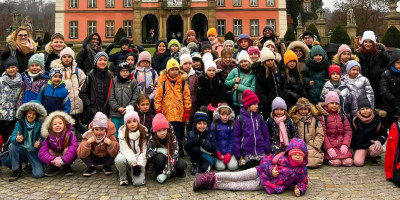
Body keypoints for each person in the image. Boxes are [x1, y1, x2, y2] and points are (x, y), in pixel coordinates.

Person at [193, 138, 308, 197]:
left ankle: (211, 185)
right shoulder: (281, 158)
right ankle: (207, 177)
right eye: (295, 153)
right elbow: (264, 160)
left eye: (300, 155)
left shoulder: (302, 170)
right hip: (259, 171)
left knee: (237, 186)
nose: (297, 156)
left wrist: (300, 189)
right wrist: (270, 170)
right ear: (289, 153)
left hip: (265, 185)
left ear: (304, 157)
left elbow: (303, 182)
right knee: (236, 176)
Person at [1, 100, 47, 181]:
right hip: (22, 150)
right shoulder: (20, 123)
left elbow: (44, 141)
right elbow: (12, 137)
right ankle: (16, 169)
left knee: (39, 174)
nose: (31, 116)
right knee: (12, 146)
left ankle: (30, 164)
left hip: (33, 152)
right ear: (26, 113)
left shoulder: (40, 125)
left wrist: (39, 144)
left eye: (34, 114)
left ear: (37, 115)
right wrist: (16, 139)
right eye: (29, 113)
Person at [154, 58, 191, 157]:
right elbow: (158, 97)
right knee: (168, 134)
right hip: (167, 114)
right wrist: (158, 110)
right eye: (172, 69)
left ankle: (179, 151)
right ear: (168, 70)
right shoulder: (163, 82)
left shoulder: (182, 82)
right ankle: (169, 152)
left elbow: (187, 97)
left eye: (176, 69)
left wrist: (187, 110)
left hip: (179, 114)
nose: (174, 72)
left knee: (179, 134)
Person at [50, 47, 87, 136]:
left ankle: (84, 136)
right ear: (61, 58)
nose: (67, 59)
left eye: (69, 57)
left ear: (72, 58)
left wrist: (80, 90)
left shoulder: (78, 71)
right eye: (64, 57)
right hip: (64, 103)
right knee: (65, 125)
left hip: (77, 102)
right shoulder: (57, 71)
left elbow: (84, 82)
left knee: (77, 123)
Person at [234, 90, 270, 169]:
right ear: (248, 105)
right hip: (247, 152)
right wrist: (238, 155)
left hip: (260, 151)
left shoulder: (260, 117)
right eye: (254, 104)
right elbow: (236, 137)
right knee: (252, 168)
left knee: (264, 167)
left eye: (257, 104)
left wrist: (267, 150)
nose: (257, 106)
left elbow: (265, 134)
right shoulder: (240, 118)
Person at [147, 113, 187, 183]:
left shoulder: (171, 136)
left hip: (170, 157)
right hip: (159, 158)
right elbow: (148, 155)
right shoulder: (152, 138)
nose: (162, 133)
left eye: (164, 130)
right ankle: (158, 172)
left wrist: (165, 173)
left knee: (182, 165)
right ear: (155, 131)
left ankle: (169, 172)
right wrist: (158, 150)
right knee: (160, 158)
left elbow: (175, 154)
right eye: (159, 131)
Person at [317, 91, 353, 167]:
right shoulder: (323, 117)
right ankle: (328, 159)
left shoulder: (342, 116)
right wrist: (328, 148)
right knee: (336, 162)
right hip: (330, 146)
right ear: (327, 104)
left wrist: (346, 144)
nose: (334, 105)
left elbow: (348, 131)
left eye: (336, 104)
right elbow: (323, 134)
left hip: (341, 145)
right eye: (332, 103)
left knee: (348, 162)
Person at [77, 112, 119, 176]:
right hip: (94, 157)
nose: (99, 132)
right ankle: (91, 167)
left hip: (106, 157)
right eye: (96, 129)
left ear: (105, 130)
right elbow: (80, 153)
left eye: (102, 129)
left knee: (115, 146)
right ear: (93, 129)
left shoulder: (110, 135)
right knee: (82, 148)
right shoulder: (88, 135)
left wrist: (110, 144)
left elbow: (116, 151)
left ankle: (107, 166)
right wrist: (87, 143)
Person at [356, 31, 390, 109]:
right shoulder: (358, 54)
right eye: (365, 42)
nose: (368, 44)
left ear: (374, 43)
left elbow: (390, 65)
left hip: (379, 86)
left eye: (370, 42)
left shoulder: (382, 54)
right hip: (364, 87)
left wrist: (379, 71)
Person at [38, 111, 78, 176]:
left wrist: (63, 160)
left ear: (64, 125)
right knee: (49, 150)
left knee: (68, 149)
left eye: (60, 123)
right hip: (55, 156)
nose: (57, 125)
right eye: (55, 124)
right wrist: (53, 159)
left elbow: (73, 148)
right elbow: (42, 152)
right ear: (51, 126)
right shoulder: (48, 137)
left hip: (65, 155)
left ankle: (67, 166)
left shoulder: (70, 135)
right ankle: (55, 167)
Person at [115, 106, 147, 186]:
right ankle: (123, 177)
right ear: (126, 124)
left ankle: (133, 173)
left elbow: (143, 151)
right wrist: (133, 163)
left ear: (138, 121)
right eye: (129, 122)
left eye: (134, 121)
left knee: (138, 183)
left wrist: (139, 165)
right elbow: (125, 150)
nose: (132, 124)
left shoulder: (143, 132)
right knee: (119, 159)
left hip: (138, 161)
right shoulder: (122, 132)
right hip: (127, 158)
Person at [289, 97, 324, 168]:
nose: (303, 111)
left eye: (305, 109)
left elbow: (320, 134)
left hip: (312, 145)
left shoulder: (315, 120)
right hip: (298, 146)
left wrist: (316, 145)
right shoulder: (294, 120)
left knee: (314, 161)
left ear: (309, 109)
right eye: (301, 109)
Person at [353, 95, 387, 166]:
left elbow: (383, 134)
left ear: (371, 109)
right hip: (360, 145)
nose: (365, 111)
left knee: (377, 150)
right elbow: (353, 134)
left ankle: (371, 156)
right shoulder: (355, 120)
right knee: (358, 163)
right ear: (359, 110)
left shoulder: (377, 119)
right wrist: (352, 147)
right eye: (362, 109)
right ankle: (364, 155)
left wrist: (379, 141)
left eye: (367, 108)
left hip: (372, 143)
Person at [79, 52, 113, 123]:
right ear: (96, 62)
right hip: (92, 111)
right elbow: (82, 93)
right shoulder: (90, 76)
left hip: (105, 111)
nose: (102, 62)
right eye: (100, 60)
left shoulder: (110, 76)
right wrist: (89, 106)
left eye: (105, 60)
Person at [109, 62, 139, 138]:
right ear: (119, 72)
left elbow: (135, 97)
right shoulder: (114, 81)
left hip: (129, 113)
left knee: (128, 132)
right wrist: (117, 107)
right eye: (122, 71)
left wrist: (129, 107)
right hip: (115, 113)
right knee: (116, 133)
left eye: (127, 70)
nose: (125, 72)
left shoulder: (133, 82)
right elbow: (110, 96)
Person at [252, 48, 283, 118]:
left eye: (272, 60)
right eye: (268, 61)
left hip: (278, 100)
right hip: (268, 103)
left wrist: (282, 95)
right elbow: (259, 89)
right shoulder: (261, 72)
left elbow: (281, 84)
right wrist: (266, 100)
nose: (270, 62)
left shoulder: (276, 70)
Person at [0, 57, 24, 144]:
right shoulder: (1, 81)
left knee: (10, 136)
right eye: (8, 67)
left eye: (13, 67)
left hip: (13, 113)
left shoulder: (21, 82)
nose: (11, 69)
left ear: (17, 68)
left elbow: (20, 97)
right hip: (1, 113)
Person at [211, 104, 238, 171]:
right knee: (220, 168)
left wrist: (229, 153)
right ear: (218, 115)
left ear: (230, 115)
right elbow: (213, 140)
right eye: (223, 115)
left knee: (233, 167)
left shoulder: (232, 124)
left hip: (229, 152)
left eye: (227, 115)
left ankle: (231, 159)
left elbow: (232, 140)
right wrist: (217, 152)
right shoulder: (215, 124)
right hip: (219, 152)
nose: (225, 117)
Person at [381, 48, 400, 125]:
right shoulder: (387, 74)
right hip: (391, 107)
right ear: (393, 63)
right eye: (399, 63)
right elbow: (385, 91)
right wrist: (396, 101)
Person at [180, 54, 198, 128]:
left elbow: (197, 88)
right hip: (181, 101)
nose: (188, 66)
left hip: (192, 101)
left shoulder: (194, 75)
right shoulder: (179, 75)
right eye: (185, 64)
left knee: (190, 120)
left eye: (190, 63)